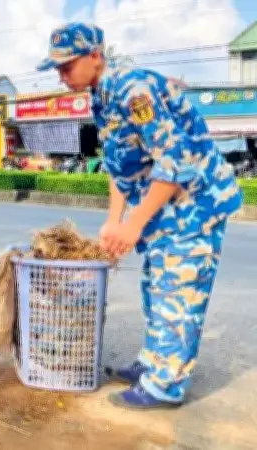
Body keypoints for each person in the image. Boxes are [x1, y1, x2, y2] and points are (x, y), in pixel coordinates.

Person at [36, 22, 243, 409]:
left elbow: (174, 159)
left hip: (197, 203)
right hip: (168, 205)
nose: (62, 76)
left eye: (67, 66)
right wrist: (115, 221)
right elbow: (120, 165)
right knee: (154, 285)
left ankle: (166, 385)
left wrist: (133, 225)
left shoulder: (134, 91)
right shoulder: (101, 96)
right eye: (57, 69)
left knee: (177, 290)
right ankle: (152, 362)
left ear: (96, 56)